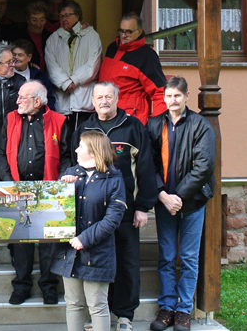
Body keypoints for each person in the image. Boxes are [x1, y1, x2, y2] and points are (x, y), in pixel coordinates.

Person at [72, 82, 161, 331]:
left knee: (127, 262)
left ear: (117, 98)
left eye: (108, 97)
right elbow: (73, 165)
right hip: (89, 214)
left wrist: (143, 206)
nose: (104, 101)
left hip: (124, 211)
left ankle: (124, 315)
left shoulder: (133, 127)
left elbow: (145, 168)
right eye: (99, 97)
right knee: (96, 263)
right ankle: (98, 315)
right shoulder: (84, 127)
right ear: (93, 99)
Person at [146, 76, 216, 331]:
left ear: (186, 97)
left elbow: (204, 166)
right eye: (168, 96)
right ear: (163, 98)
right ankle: (166, 308)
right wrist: (163, 195)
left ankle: (183, 310)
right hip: (164, 202)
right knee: (167, 256)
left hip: (192, 203)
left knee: (187, 257)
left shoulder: (200, 125)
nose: (172, 100)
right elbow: (148, 163)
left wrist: (179, 197)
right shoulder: (154, 125)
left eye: (177, 95)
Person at [0, 80, 70, 306]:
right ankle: (22, 286)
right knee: (20, 242)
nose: (17, 101)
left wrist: (59, 183)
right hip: (17, 188)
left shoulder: (59, 120)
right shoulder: (10, 119)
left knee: (49, 243)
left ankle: (49, 287)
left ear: (37, 101)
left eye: (22, 97)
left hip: (48, 189)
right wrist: (8, 184)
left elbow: (66, 155)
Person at [52, 131, 127, 331]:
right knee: (74, 305)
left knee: (98, 306)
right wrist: (60, 190)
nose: (76, 150)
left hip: (98, 253)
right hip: (71, 254)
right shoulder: (70, 174)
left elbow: (112, 219)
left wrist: (85, 238)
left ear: (93, 152)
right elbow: (55, 213)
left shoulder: (114, 180)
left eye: (81, 147)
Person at [98, 12, 166, 124]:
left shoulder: (147, 56)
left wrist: (157, 126)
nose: (124, 35)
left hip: (131, 121)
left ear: (139, 32)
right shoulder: (112, 48)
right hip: (106, 116)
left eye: (129, 31)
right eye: (121, 31)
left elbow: (160, 93)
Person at [45, 0, 102, 131]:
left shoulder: (91, 35)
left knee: (83, 141)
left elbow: (93, 64)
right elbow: (51, 65)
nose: (64, 19)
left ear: (77, 16)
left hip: (84, 98)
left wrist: (75, 80)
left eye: (68, 15)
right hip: (62, 99)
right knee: (63, 141)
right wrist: (65, 83)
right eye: (61, 16)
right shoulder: (53, 39)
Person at [11, 39, 57, 111]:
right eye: (14, 55)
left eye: (20, 55)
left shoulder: (40, 76)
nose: (16, 58)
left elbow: (49, 99)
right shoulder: (6, 75)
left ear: (29, 57)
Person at [22, 1, 51, 69]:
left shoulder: (50, 37)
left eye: (42, 20)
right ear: (27, 20)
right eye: (34, 20)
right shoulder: (20, 37)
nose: (38, 24)